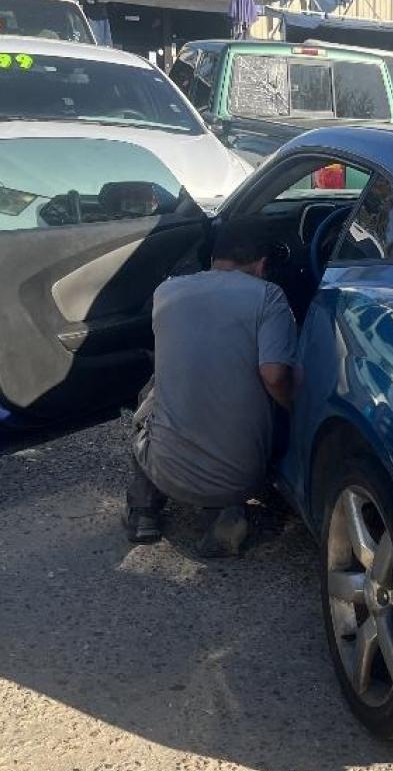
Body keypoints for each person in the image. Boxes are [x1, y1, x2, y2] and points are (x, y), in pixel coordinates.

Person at [124, 216, 296, 557]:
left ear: (214, 259)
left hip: (166, 473)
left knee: (152, 395)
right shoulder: (269, 297)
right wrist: (293, 409)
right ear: (262, 265)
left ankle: (143, 512)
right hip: (242, 480)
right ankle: (227, 510)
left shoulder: (167, 291)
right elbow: (275, 376)